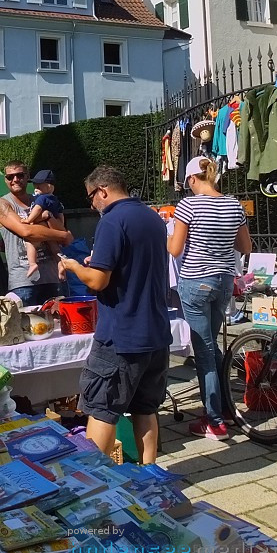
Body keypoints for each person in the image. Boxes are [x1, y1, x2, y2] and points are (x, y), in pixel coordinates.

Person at [57, 166, 172, 464]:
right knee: (145, 409)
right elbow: (134, 264)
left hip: (121, 336)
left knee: (101, 408)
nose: (91, 205)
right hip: (156, 333)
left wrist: (71, 266)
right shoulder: (152, 218)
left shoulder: (112, 221)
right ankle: (151, 476)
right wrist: (96, 262)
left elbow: (97, 282)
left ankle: (94, 480)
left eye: (91, 198)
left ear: (103, 191)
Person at [167, 155, 252, 440]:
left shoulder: (188, 205)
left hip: (195, 282)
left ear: (192, 179)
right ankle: (225, 406)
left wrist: (164, 231)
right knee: (210, 345)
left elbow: (175, 249)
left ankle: (215, 421)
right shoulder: (233, 204)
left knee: (203, 351)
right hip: (223, 281)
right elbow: (245, 246)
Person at [0, 160, 71, 305]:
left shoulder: (42, 199)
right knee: (25, 326)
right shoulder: (2, 204)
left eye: (20, 175)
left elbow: (62, 231)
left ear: (27, 177)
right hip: (24, 282)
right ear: (5, 179)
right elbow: (27, 232)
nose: (15, 180)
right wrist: (61, 235)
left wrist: (49, 218)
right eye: (10, 177)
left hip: (53, 278)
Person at [22, 169, 66, 282]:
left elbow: (38, 209)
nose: (36, 189)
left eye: (39, 187)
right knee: (55, 248)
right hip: (51, 230)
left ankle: (32, 263)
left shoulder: (43, 198)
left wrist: (29, 220)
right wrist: (60, 225)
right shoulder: (55, 200)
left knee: (30, 242)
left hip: (41, 227)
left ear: (50, 187)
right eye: (35, 186)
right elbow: (61, 217)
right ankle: (60, 263)